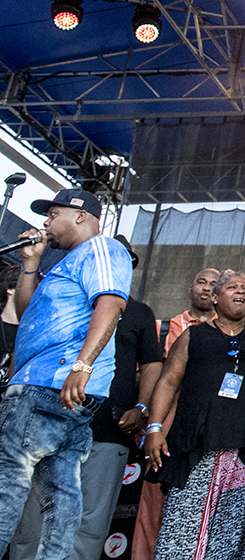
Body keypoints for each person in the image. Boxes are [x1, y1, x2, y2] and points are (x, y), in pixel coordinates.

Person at [0, 188, 133, 560]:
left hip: (49, 384)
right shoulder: (66, 263)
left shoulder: (102, 249)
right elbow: (27, 313)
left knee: (7, 480)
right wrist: (30, 263)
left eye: (52, 214)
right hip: (52, 388)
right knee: (61, 493)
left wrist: (82, 364)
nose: (45, 223)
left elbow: (110, 302)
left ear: (79, 215)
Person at [10, 237, 162, 560]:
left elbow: (152, 364)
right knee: (32, 517)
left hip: (108, 425)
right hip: (54, 413)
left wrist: (142, 407)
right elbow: (27, 318)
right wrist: (30, 265)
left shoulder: (138, 312)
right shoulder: (69, 299)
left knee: (89, 519)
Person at [145, 271, 245, 560]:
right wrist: (154, 428)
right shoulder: (193, 335)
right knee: (180, 532)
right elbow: (168, 381)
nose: (241, 291)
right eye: (232, 287)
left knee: (234, 538)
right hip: (196, 448)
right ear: (216, 298)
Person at [133, 266, 219, 560]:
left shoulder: (230, 332)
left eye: (213, 284)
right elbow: (147, 375)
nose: (206, 289)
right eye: (201, 282)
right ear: (191, 287)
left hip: (208, 425)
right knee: (154, 499)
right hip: (166, 420)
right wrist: (148, 420)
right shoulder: (166, 328)